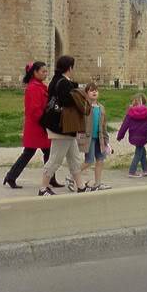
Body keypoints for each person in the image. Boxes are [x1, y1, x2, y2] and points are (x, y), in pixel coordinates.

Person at [2, 62, 61, 190]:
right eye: (43, 71)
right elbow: (34, 109)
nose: (45, 74)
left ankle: (50, 178)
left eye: (46, 71)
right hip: (37, 126)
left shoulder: (38, 86)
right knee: (31, 153)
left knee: (46, 153)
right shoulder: (33, 87)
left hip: (40, 125)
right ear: (35, 72)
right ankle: (11, 176)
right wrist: (45, 121)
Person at [39, 55, 88, 196]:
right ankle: (43, 188)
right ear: (69, 68)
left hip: (62, 126)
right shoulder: (64, 83)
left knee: (74, 159)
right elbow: (67, 101)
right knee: (55, 159)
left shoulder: (55, 80)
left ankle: (81, 186)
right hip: (62, 127)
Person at [71, 82, 112, 191]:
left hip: (100, 138)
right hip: (89, 138)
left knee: (100, 160)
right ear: (86, 93)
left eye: (96, 90)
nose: (94, 92)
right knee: (89, 161)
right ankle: (71, 177)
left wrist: (106, 140)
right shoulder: (84, 107)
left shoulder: (101, 108)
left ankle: (97, 183)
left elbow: (104, 125)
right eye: (91, 90)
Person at [117, 93, 147, 177]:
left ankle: (146, 170)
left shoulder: (130, 113)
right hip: (143, 137)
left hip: (133, 136)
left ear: (133, 102)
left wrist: (120, 136)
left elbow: (124, 126)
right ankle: (132, 171)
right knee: (138, 153)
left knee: (142, 152)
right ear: (144, 102)